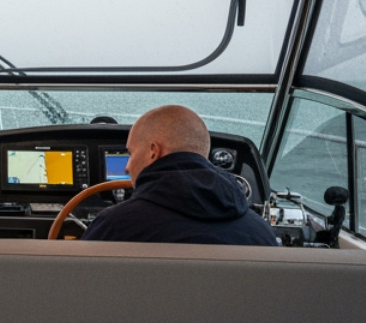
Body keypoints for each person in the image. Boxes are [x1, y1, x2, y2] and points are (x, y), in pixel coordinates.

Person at [81, 105, 278, 246]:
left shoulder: (114, 227)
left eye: (131, 154)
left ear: (153, 151)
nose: (127, 167)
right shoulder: (261, 233)